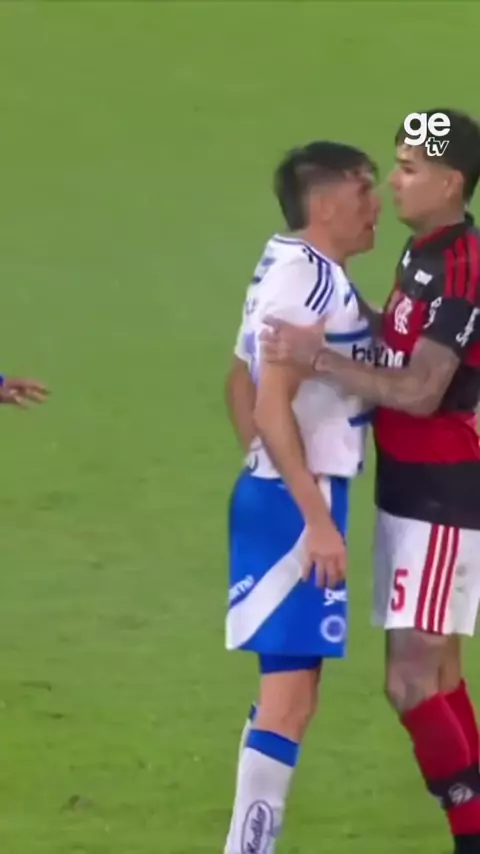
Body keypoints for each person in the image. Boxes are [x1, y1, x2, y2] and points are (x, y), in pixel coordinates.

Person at [261, 108, 480, 854]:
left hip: (443, 496)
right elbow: (404, 338)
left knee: (410, 680)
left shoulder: (462, 267)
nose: (392, 183)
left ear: (450, 183)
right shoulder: (425, 252)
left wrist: (316, 358)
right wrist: (351, 311)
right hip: (409, 489)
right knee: (438, 677)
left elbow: (420, 390)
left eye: (410, 169)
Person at [224, 140, 379, 854]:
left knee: (292, 697)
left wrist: (261, 461)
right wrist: (312, 516)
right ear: (324, 205)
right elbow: (267, 400)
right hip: (297, 507)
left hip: (285, 495)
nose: (376, 206)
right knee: (288, 703)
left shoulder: (289, 264)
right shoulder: (307, 281)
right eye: (362, 191)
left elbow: (238, 376)